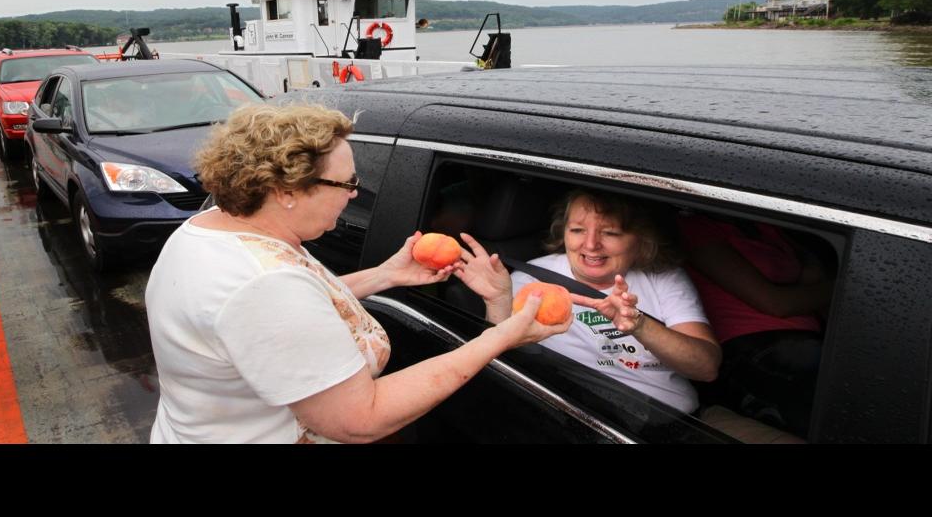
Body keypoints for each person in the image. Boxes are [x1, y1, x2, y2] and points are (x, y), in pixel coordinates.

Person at [144, 103, 572, 443]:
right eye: (346, 183)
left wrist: (385, 275)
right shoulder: (263, 284)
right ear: (286, 191)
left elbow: (289, 314)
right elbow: (358, 421)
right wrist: (501, 336)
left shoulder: (214, 227)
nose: (354, 194)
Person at [454, 189, 721, 414]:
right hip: (598, 419)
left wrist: (638, 325)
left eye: (611, 233)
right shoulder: (529, 281)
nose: (591, 244)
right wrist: (498, 302)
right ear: (564, 233)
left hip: (688, 421)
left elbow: (706, 368)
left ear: (641, 240)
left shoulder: (662, 276)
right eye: (578, 230)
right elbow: (500, 362)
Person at [678, 213, 832, 437]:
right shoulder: (696, 227)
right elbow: (776, 304)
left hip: (805, 340)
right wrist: (841, 287)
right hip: (749, 347)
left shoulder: (769, 225)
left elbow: (810, 281)